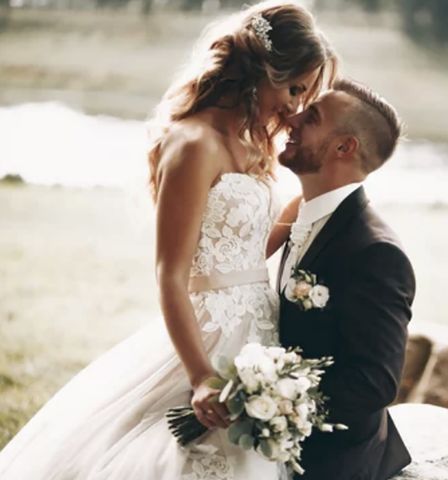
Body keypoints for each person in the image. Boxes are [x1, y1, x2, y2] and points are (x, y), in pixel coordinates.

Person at [0, 2, 336, 479]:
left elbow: (246, 251)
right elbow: (172, 273)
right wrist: (200, 374)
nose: (295, 106)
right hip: (207, 334)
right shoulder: (193, 143)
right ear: (263, 69)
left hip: (257, 332)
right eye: (294, 87)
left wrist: (317, 197)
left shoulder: (252, 143)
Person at [277, 78, 416, 480]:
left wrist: (275, 403)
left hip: (333, 457)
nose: (293, 117)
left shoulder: (376, 253)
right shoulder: (303, 216)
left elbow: (375, 382)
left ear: (344, 147)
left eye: (312, 117)